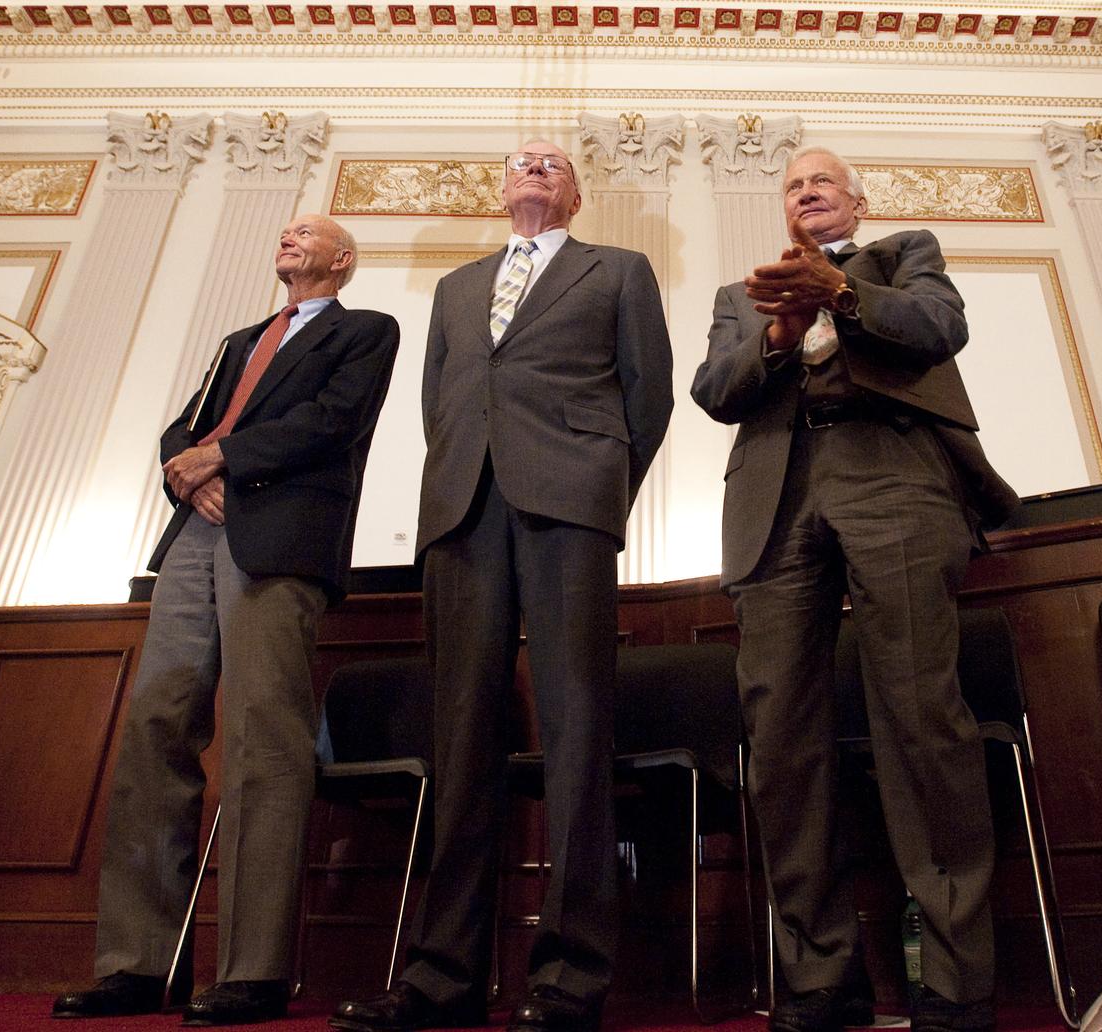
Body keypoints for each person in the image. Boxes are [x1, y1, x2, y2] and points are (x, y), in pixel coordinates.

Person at [332, 140, 673, 1032]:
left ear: (577, 194)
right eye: (522, 162)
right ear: (501, 189)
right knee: (461, 741)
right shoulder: (455, 287)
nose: (536, 170)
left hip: (568, 507)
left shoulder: (620, 270)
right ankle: (442, 978)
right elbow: (439, 401)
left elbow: (651, 397)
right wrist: (453, 481)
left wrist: (599, 488)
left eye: (554, 163)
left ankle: (569, 978)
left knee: (576, 731)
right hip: (462, 513)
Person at [692, 147, 1019, 1032]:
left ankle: (954, 979)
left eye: (822, 182)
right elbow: (713, 392)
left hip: (893, 474)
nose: (806, 193)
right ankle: (819, 974)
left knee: (920, 714)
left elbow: (935, 328)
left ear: (856, 204)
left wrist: (837, 296)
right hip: (775, 491)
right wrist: (774, 335)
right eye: (793, 185)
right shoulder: (742, 296)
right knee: (782, 732)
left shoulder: (906, 254)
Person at [52, 214, 400, 1026]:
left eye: (307, 231)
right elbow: (185, 427)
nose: (287, 235)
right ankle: (138, 964)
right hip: (193, 536)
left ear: (340, 260)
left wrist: (225, 459)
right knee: (154, 730)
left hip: (278, 543)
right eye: (283, 227)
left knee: (260, 739)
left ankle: (254, 970)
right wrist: (191, 470)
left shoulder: (364, 332)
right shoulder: (241, 337)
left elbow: (331, 423)